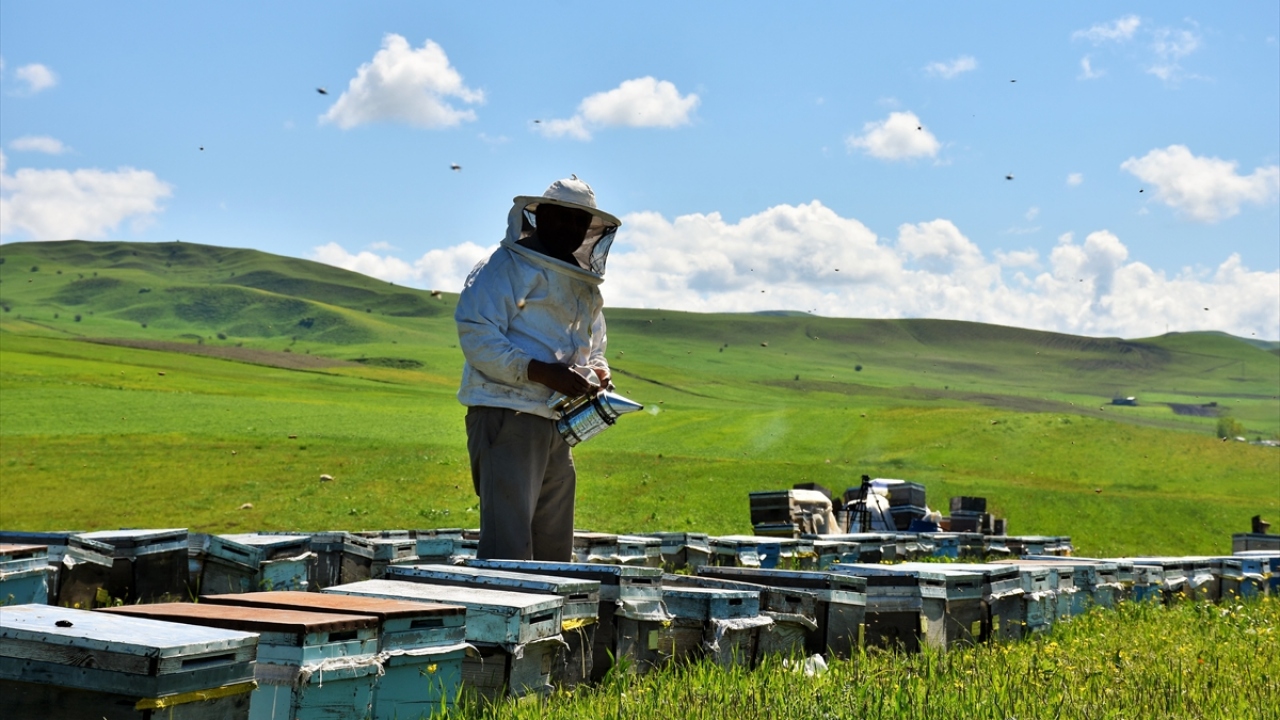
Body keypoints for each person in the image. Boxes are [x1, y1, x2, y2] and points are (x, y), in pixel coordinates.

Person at [455, 175, 621, 561]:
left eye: (580, 222)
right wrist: (541, 372)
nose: (571, 229)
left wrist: (598, 371)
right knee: (507, 546)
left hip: (558, 420)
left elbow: (594, 343)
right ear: (541, 216)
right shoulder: (505, 267)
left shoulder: (583, 284)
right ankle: (502, 620)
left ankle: (548, 622)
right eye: (562, 217)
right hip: (507, 413)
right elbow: (477, 333)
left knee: (553, 546)